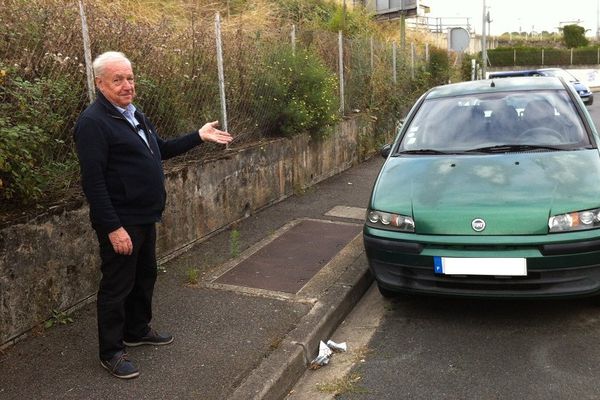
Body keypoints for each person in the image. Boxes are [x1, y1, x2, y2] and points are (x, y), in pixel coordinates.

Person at [74, 51, 233, 379]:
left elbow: (159, 150)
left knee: (145, 275)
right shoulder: (93, 123)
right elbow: (93, 183)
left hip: (145, 215)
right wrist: (113, 227)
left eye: (130, 78)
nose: (126, 85)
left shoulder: (133, 114)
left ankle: (136, 330)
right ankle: (112, 351)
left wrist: (198, 137)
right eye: (117, 80)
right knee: (117, 285)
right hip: (123, 219)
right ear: (99, 83)